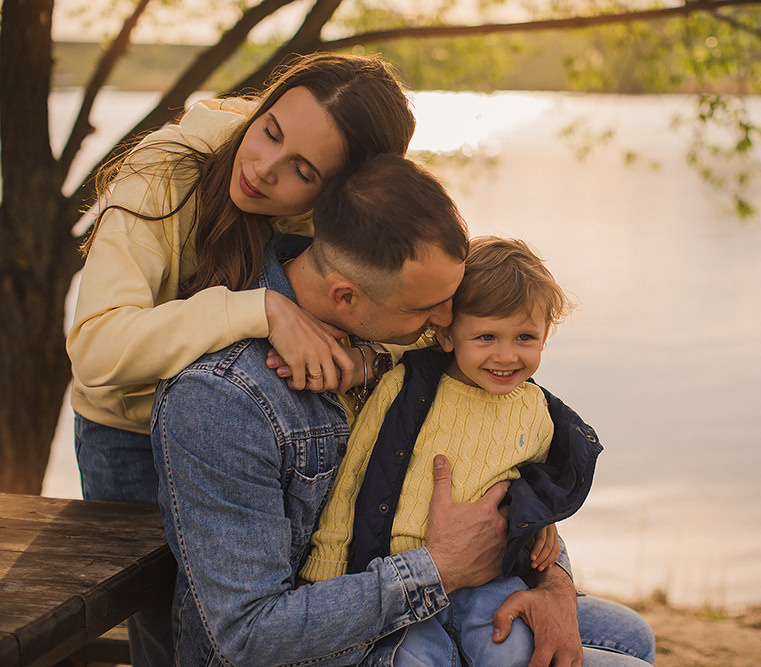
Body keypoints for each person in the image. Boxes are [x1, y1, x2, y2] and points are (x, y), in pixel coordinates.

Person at [151, 155, 655, 665]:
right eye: (426, 310)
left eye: (451, 301)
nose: (445, 322)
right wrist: (440, 568)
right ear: (346, 297)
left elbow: (495, 451)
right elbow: (248, 635)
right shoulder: (225, 400)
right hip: (335, 635)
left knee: (631, 636)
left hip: (440, 587)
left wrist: (554, 580)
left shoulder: (390, 331)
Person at [66, 53, 415, 664]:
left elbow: (423, 301)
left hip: (264, 437)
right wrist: (261, 310)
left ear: (341, 189)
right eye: (270, 131)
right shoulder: (163, 172)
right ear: (266, 105)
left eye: (301, 170)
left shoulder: (346, 214)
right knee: (167, 638)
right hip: (130, 438)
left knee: (256, 626)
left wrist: (368, 354)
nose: (262, 168)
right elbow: (97, 348)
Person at [300, 235, 596, 666]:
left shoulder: (535, 409)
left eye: (525, 337)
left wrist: (539, 521)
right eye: (487, 336)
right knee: (416, 660)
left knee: (513, 653)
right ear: (447, 333)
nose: (507, 355)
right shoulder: (405, 390)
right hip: (404, 577)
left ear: (546, 335)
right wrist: (326, 568)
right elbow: (353, 479)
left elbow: (533, 480)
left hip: (491, 579)